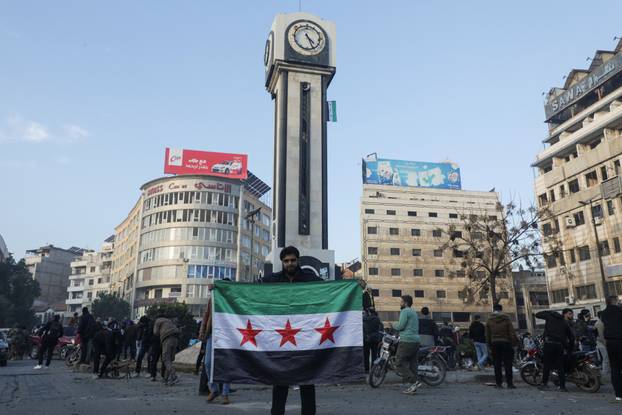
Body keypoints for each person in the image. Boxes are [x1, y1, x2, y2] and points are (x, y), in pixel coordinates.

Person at [262, 246, 323, 415]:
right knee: (280, 385)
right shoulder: (272, 280)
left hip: (305, 340)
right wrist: (225, 287)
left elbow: (331, 290)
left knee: (307, 385)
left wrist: (354, 287)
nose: (290, 263)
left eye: (293, 260)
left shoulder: (311, 278)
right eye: (286, 261)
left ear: (298, 261)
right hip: (280, 341)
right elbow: (249, 290)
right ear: (282, 262)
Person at [201, 283, 232, 404]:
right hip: (213, 334)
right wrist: (202, 331)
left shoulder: (233, 299)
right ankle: (214, 389)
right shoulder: (214, 298)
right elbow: (206, 315)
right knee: (208, 363)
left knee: (226, 365)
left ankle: (225, 393)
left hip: (229, 336)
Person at [535, 308, 574, 392]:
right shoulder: (564, 322)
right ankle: (562, 386)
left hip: (549, 344)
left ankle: (544, 384)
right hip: (559, 345)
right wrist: (570, 349)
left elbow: (537, 314)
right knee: (560, 367)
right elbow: (571, 337)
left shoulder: (549, 316)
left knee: (546, 365)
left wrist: (548, 311)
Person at [393, 295, 421, 395]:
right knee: (413, 365)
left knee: (399, 363)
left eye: (401, 301)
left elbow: (400, 326)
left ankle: (414, 381)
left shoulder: (405, 311)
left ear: (405, 303)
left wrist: (393, 325)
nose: (400, 303)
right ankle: (413, 387)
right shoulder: (414, 312)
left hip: (406, 341)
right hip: (416, 341)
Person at [485, 303, 517, 388]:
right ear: (501, 310)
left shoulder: (489, 320)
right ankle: (509, 384)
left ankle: (499, 384)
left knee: (497, 364)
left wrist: (489, 345)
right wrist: (513, 343)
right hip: (506, 342)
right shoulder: (506, 319)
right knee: (508, 363)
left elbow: (487, 334)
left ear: (493, 309)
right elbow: (511, 332)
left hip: (494, 343)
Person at [600, 295, 622, 402]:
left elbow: (602, 327)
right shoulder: (620, 310)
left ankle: (618, 395)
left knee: (615, 368)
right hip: (620, 340)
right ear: (615, 301)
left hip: (610, 342)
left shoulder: (603, 313)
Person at [154, 313, 180, 386]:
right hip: (175, 338)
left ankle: (174, 375)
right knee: (170, 360)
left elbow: (155, 332)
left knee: (165, 359)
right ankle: (166, 378)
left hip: (167, 338)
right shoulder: (169, 321)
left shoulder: (158, 320)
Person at [363, 308, 383, 373]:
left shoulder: (365, 319)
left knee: (366, 355)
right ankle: (373, 369)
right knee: (374, 355)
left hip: (367, 339)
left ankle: (366, 369)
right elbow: (380, 329)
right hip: (375, 339)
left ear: (369, 312)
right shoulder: (377, 319)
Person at [594, 311, 610, 379]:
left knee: (606, 358)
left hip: (601, 342)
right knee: (606, 358)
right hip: (602, 343)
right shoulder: (600, 323)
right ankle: (604, 375)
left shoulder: (600, 322)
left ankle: (606, 373)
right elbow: (601, 336)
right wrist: (606, 344)